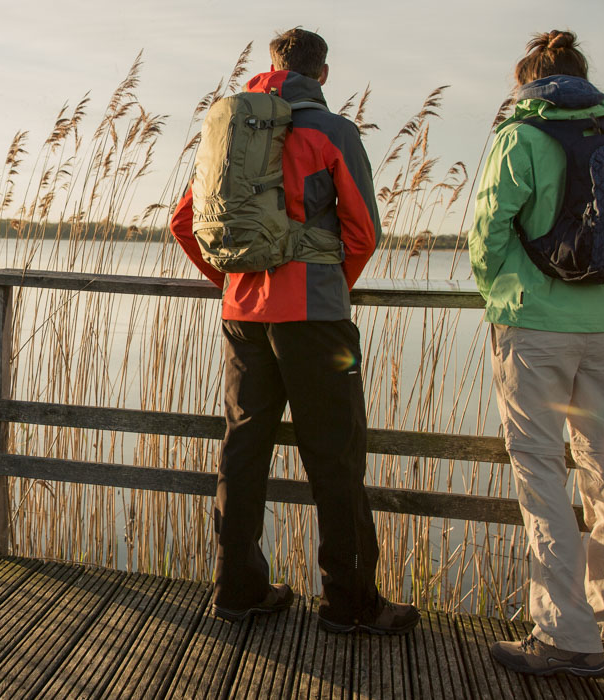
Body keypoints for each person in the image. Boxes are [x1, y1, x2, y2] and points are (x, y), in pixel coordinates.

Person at [170, 27, 419, 635]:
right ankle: (348, 603)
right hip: (315, 319)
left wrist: (231, 282)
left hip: (242, 317)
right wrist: (331, 286)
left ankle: (237, 590)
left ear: (269, 67)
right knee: (334, 457)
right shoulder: (333, 131)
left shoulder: (228, 127)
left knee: (244, 447)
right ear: (323, 74)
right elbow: (362, 231)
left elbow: (184, 222)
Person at [469, 30, 604, 677]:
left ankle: (565, 635)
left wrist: (510, 296)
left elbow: (486, 234)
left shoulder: (519, 138)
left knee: (539, 473)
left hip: (534, 333)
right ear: (583, 81)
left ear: (528, 82)